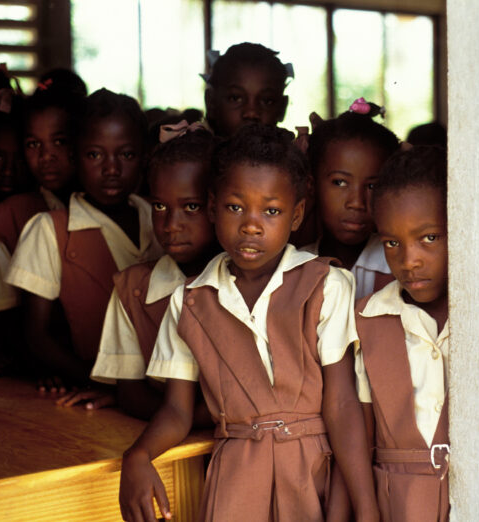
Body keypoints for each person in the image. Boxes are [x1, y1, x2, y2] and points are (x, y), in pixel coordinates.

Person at [119, 124, 378, 522]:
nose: (251, 225)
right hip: (235, 479)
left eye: (270, 211)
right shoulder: (189, 301)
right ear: (211, 208)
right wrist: (138, 455)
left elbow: (342, 405)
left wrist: (366, 507)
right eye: (235, 207)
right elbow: (177, 411)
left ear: (297, 215)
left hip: (313, 474)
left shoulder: (325, 284)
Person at [5, 88, 162, 392]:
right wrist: (110, 387)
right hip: (100, 391)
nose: (111, 169)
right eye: (94, 154)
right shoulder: (49, 230)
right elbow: (36, 336)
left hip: (167, 391)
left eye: (126, 154)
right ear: (75, 157)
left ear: (144, 157)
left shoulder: (161, 218)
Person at [86, 127, 219, 416]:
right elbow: (130, 393)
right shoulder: (132, 289)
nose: (171, 224)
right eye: (159, 206)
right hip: (172, 449)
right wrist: (203, 420)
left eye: (191, 206)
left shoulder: (254, 281)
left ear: (220, 205)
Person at [355, 146, 450, 521]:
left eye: (429, 238)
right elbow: (360, 435)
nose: (409, 260)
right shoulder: (368, 321)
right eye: (392, 243)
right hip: (399, 506)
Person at [0, 73, 86, 317]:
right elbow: (2, 317)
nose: (46, 156)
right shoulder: (8, 218)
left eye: (59, 141)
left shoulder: (119, 206)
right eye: (33, 144)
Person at [303, 99, 400, 298]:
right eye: (340, 182)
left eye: (372, 186)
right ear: (311, 185)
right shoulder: (296, 266)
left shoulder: (401, 266)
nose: (356, 203)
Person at [203, 42, 291, 138]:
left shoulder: (294, 151)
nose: (251, 113)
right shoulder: (193, 152)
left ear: (283, 107)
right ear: (211, 103)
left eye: (267, 101)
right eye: (235, 98)